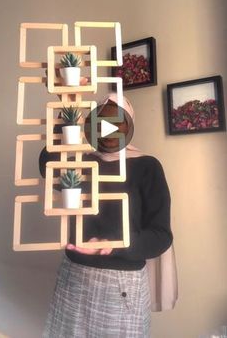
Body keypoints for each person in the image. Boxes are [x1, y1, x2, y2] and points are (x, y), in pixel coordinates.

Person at [40, 93, 176, 338]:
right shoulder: (81, 161)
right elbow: (48, 167)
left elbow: (160, 235)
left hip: (121, 286)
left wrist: (112, 245)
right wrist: (67, 109)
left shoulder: (147, 166)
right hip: (74, 276)